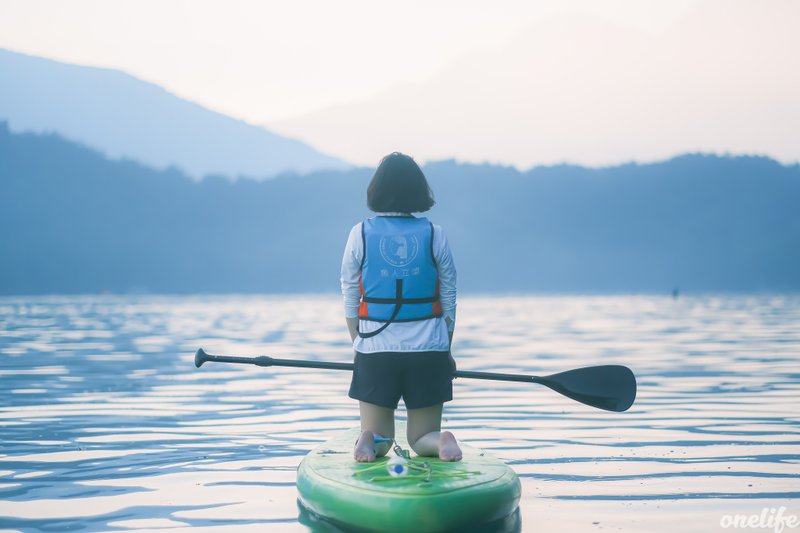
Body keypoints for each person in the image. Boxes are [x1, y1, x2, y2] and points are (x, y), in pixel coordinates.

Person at [340, 152, 461, 463]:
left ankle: (369, 439)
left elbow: (350, 294)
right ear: (420, 191)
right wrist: (445, 349)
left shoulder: (359, 233)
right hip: (429, 349)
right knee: (421, 438)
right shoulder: (436, 234)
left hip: (376, 349)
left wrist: (358, 344)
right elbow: (449, 298)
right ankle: (441, 440)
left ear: (376, 190)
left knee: (383, 438)